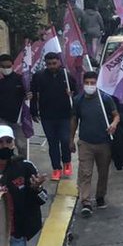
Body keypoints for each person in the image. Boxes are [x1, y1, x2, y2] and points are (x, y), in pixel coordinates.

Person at [70, 71, 119, 218]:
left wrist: (114, 124)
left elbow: (116, 115)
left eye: (93, 83)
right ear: (83, 83)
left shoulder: (105, 99)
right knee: (85, 172)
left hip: (104, 143)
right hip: (85, 142)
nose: (90, 86)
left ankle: (100, 196)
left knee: (103, 172)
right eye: (87, 83)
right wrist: (70, 140)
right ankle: (85, 201)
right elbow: (74, 120)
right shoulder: (78, 100)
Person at [31, 52, 79, 180]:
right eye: (49, 64)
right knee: (52, 143)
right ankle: (56, 168)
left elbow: (77, 93)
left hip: (65, 115)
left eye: (54, 63)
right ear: (45, 64)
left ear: (59, 62)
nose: (52, 66)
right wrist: (33, 111)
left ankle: (67, 162)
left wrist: (72, 95)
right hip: (47, 116)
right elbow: (34, 94)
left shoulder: (67, 76)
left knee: (64, 140)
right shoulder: (39, 76)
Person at [0, 54, 25, 148]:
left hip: (18, 119)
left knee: (21, 145)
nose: (6, 68)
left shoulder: (20, 79)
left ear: (12, 65)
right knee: (4, 144)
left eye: (8, 66)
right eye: (3, 66)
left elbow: (27, 95)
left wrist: (29, 95)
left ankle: (22, 162)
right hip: (2, 119)